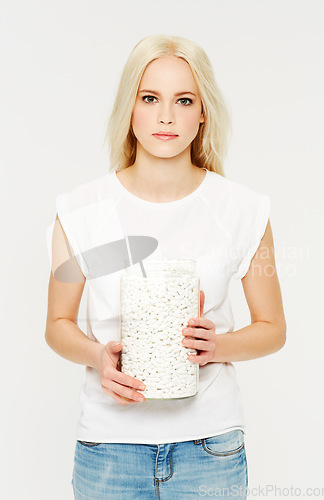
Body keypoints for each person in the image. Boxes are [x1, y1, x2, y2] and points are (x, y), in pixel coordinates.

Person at [45, 34, 287, 500]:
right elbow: (57, 324)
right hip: (109, 448)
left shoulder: (240, 208)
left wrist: (215, 345)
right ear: (129, 107)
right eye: (150, 98)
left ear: (203, 113)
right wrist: (98, 356)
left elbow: (273, 328)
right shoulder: (80, 210)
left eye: (183, 100)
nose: (165, 116)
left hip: (209, 447)